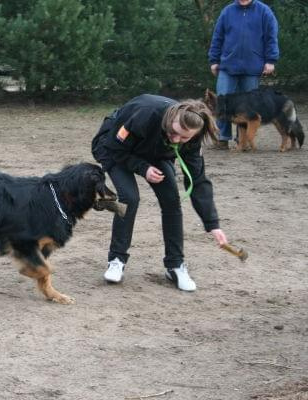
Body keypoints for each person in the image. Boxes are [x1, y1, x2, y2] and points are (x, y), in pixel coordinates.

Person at [91, 95, 228, 292]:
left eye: (184, 137)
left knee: (171, 201)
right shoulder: (144, 115)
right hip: (114, 147)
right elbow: (114, 149)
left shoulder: (191, 138)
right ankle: (116, 260)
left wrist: (212, 223)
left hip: (154, 151)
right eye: (174, 132)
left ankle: (175, 265)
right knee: (130, 198)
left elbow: (198, 181)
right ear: (171, 119)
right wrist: (143, 168)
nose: (177, 140)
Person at [208, 0, 279, 149]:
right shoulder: (227, 11)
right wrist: (214, 60)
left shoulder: (264, 12)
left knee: (248, 108)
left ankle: (243, 141)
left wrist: (271, 60)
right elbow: (217, 37)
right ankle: (222, 138)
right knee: (221, 101)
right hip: (227, 66)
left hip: (253, 67)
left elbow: (271, 37)